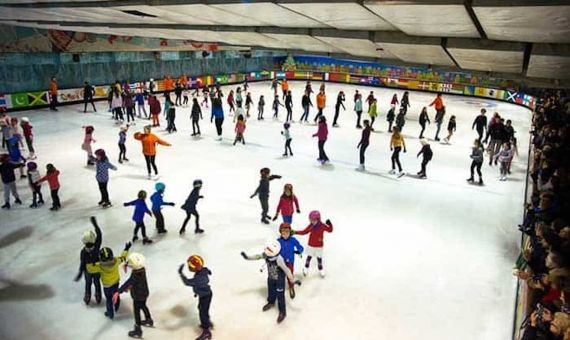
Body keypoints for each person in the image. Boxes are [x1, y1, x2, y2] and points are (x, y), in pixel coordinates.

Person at [241, 239, 295, 323]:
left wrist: (291, 278)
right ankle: (271, 302)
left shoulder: (279, 259)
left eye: (269, 250)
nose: (267, 252)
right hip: (271, 278)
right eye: (267, 249)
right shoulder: (266, 255)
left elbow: (286, 269)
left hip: (279, 280)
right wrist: (247, 257)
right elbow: (257, 256)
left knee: (280, 296)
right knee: (271, 291)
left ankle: (282, 312)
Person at [86, 242, 131, 320]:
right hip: (116, 283)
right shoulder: (116, 261)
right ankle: (116, 307)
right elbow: (123, 257)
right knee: (116, 295)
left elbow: (89, 268)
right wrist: (126, 249)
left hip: (107, 286)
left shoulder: (99, 266)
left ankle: (110, 313)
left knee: (109, 299)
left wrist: (91, 260)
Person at [113, 253, 153, 338]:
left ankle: (138, 330)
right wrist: (127, 264)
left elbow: (128, 283)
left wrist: (118, 292)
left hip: (138, 296)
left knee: (136, 311)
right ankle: (149, 319)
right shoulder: (142, 269)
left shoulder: (135, 275)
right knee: (143, 305)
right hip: (145, 293)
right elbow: (135, 264)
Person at [178, 255, 213, 340]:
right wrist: (208, 271)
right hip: (205, 295)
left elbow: (187, 282)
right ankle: (207, 322)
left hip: (205, 296)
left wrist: (181, 273)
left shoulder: (199, 279)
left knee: (203, 313)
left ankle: (206, 332)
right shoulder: (203, 270)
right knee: (202, 309)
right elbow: (206, 269)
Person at [294, 210, 333, 277]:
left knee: (319, 258)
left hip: (319, 246)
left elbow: (330, 230)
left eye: (313, 220)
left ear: (318, 219)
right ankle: (306, 268)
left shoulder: (322, 226)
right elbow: (304, 232)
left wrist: (330, 224)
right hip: (311, 245)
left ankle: (320, 269)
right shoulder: (310, 226)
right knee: (309, 257)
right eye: (310, 220)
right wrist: (295, 232)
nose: (312, 221)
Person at [74, 216, 102, 306]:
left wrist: (80, 273)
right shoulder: (96, 246)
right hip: (97, 269)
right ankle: (98, 294)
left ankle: (88, 295)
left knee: (88, 283)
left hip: (88, 271)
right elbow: (100, 235)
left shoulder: (83, 252)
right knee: (97, 282)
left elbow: (82, 264)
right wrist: (95, 225)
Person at [277, 223, 303, 298]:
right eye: (283, 231)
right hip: (280, 261)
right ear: (280, 232)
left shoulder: (293, 240)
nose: (285, 233)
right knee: (280, 275)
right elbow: (273, 248)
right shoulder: (278, 241)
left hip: (290, 261)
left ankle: (291, 285)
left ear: (290, 232)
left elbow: (299, 246)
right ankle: (279, 287)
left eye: (287, 231)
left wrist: (300, 250)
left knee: (290, 274)